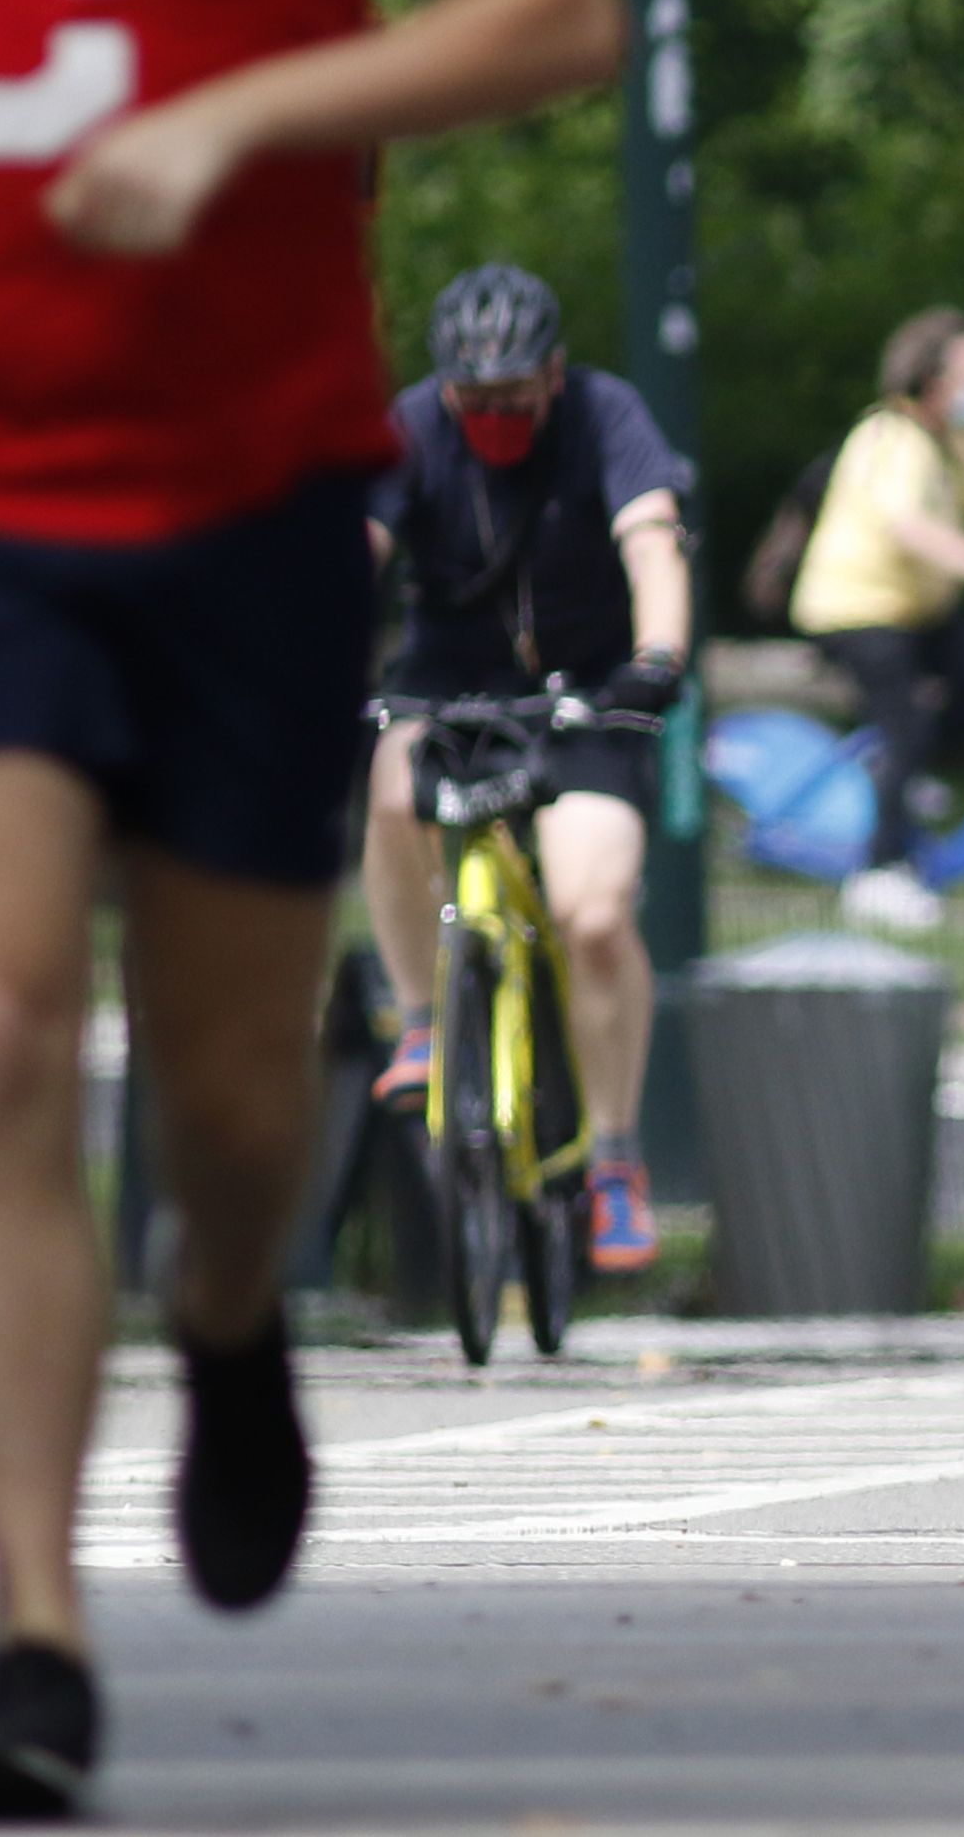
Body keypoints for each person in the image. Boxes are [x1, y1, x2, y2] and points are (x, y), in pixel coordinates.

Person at [0, 0, 620, 1810]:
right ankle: (34, 1638)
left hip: (248, 498)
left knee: (229, 1092)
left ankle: (231, 1315)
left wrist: (242, 111)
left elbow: (558, 1)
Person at [362, 265, 694, 1275]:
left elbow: (652, 543)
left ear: (553, 375)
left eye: (513, 397)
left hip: (589, 688)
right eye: (475, 401)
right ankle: (421, 1021)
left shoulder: (607, 415)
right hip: (449, 682)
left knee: (594, 916)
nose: (492, 417)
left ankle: (614, 1161)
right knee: (389, 788)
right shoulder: (413, 423)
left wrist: (657, 661)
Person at [791, 307, 964, 932]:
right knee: (906, 722)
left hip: (918, 613)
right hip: (853, 611)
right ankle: (879, 873)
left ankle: (904, 777)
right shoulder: (890, 437)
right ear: (933, 378)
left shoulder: (957, 439)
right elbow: (907, 527)